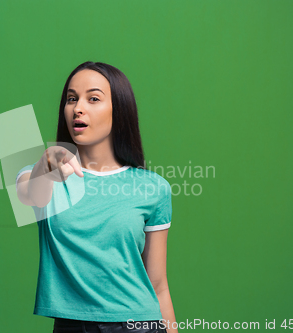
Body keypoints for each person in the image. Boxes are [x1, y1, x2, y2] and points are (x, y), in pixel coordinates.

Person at [16, 61, 178, 333]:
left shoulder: (153, 188)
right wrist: (46, 163)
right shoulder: (43, 176)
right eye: (71, 99)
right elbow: (28, 194)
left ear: (120, 110)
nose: (78, 108)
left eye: (93, 99)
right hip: (70, 326)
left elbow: (158, 285)